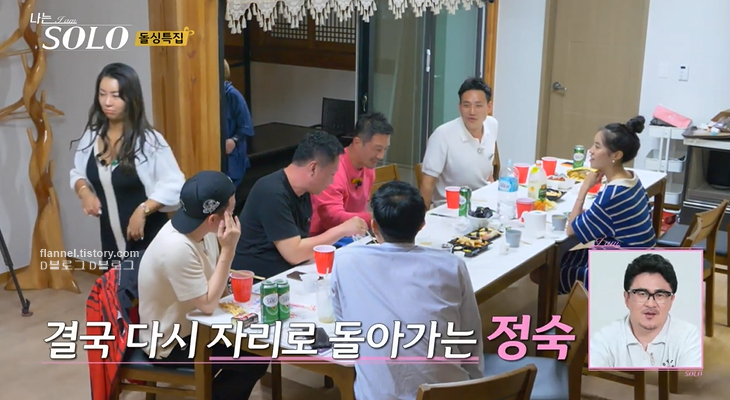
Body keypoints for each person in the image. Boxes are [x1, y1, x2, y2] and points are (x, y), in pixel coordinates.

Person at [331, 180, 484, 400]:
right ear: (422, 224)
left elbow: (345, 329)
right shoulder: (451, 265)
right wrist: (474, 384)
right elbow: (470, 337)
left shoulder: (345, 261)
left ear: (374, 226)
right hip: (447, 394)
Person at [137, 170, 268, 400]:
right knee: (254, 357)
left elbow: (216, 279)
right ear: (214, 219)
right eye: (231, 206)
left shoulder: (203, 228)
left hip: (198, 325)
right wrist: (229, 249)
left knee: (259, 343)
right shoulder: (177, 248)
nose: (234, 209)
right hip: (170, 342)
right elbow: (207, 305)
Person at [69, 62, 185, 269]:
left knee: (146, 288)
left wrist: (143, 210)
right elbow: (78, 173)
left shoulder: (149, 141)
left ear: (131, 98)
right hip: (110, 242)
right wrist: (84, 192)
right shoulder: (91, 137)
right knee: (115, 288)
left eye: (116, 96)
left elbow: (175, 185)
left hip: (149, 241)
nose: (107, 102)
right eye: (102, 94)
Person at [538, 116, 657, 295]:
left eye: (597, 146)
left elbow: (571, 230)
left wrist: (584, 188)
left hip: (623, 271)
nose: (591, 151)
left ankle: (576, 308)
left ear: (616, 155)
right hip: (642, 259)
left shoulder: (612, 194)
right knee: (562, 256)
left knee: (544, 269)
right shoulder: (631, 178)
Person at [233, 131, 369, 278]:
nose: (332, 181)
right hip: (258, 280)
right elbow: (294, 253)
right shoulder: (271, 192)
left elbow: (302, 245)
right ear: (313, 168)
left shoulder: (304, 192)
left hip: (287, 273)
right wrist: (342, 230)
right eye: (331, 175)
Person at [589, 253, 702, 368]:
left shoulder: (688, 336)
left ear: (671, 300)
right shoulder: (604, 339)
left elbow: (689, 378)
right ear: (627, 298)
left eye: (660, 295)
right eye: (642, 294)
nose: (650, 304)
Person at [309, 112, 393, 237]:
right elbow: (333, 218)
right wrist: (379, 217)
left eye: (385, 149)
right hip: (324, 238)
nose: (381, 156)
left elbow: (362, 207)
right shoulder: (333, 169)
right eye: (377, 149)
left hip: (353, 234)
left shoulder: (368, 166)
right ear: (357, 143)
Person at [420, 77, 498, 208]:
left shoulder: (492, 124)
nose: (472, 112)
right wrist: (422, 218)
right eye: (466, 105)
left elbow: (487, 171)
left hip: (482, 203)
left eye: (478, 105)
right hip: (451, 208)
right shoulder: (442, 135)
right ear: (459, 107)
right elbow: (427, 184)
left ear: (489, 107)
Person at [221, 59, 255, 217]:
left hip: (232, 155)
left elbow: (246, 126)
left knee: (229, 200)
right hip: (217, 153)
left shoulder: (233, 95)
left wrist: (233, 141)